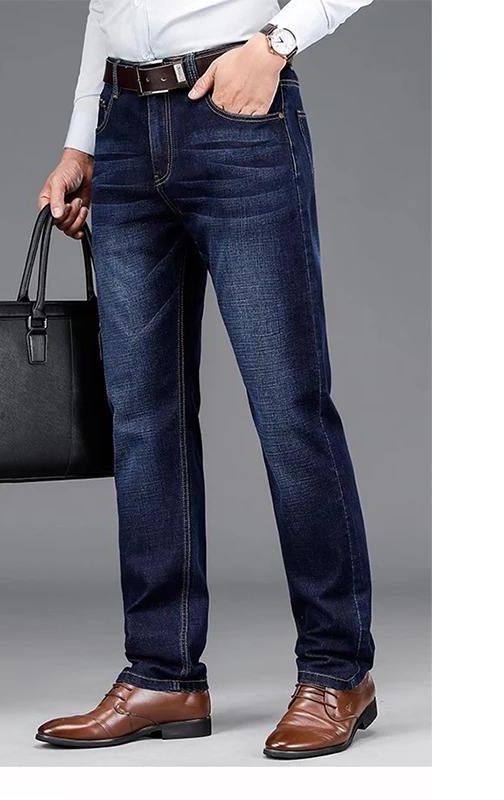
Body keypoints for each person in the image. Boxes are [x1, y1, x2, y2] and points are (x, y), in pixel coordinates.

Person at [35, 0, 376, 759]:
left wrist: (277, 44)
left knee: (289, 408)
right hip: (123, 130)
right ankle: (163, 674)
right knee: (142, 421)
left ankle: (338, 671)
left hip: (235, 116)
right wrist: (81, 142)